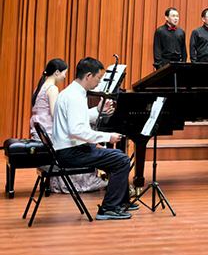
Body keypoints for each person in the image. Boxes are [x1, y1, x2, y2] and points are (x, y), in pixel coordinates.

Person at [53, 57, 133, 220]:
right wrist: (108, 137)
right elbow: (77, 131)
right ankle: (109, 208)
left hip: (70, 149)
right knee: (122, 160)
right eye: (98, 78)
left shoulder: (71, 92)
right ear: (88, 76)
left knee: (118, 157)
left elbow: (78, 119)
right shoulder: (75, 97)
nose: (99, 82)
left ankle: (122, 202)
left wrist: (98, 110)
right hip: (71, 152)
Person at [30, 59, 107, 194]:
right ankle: (84, 182)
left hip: (40, 130)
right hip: (50, 131)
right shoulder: (52, 88)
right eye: (64, 73)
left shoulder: (40, 86)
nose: (65, 76)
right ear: (57, 72)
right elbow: (55, 114)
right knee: (80, 142)